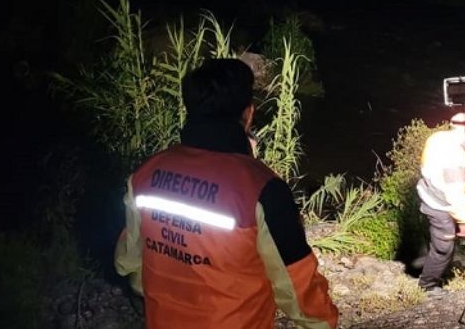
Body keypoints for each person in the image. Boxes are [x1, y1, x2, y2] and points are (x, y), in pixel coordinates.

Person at [114, 59, 338, 329]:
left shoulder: (146, 174)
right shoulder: (262, 189)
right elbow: (299, 289)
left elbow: (128, 262)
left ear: (190, 110)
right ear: (249, 113)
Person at [417, 112, 465, 294]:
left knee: (444, 241)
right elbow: (455, 196)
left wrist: (462, 178)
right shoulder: (456, 155)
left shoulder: (439, 138)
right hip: (439, 205)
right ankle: (428, 286)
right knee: (443, 247)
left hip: (428, 193)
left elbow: (435, 169)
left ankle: (436, 275)